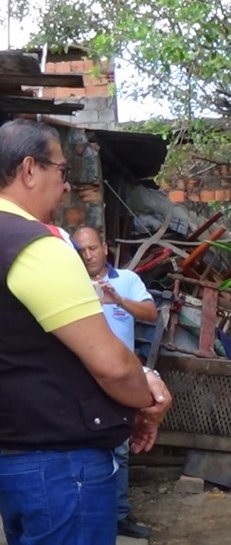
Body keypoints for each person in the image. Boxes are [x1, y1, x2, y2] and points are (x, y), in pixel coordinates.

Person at [0, 118, 172, 545]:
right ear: (28, 169)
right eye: (62, 171)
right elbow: (112, 366)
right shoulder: (35, 245)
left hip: (15, 457)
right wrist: (147, 400)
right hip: (60, 467)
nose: (66, 188)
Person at [73, 226, 159, 539]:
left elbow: (151, 313)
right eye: (81, 250)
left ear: (105, 248)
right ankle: (89, 515)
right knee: (87, 449)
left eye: (93, 248)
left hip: (121, 380)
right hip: (82, 380)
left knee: (120, 449)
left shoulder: (127, 280)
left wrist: (118, 301)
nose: (88, 255)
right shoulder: (71, 284)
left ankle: (119, 515)